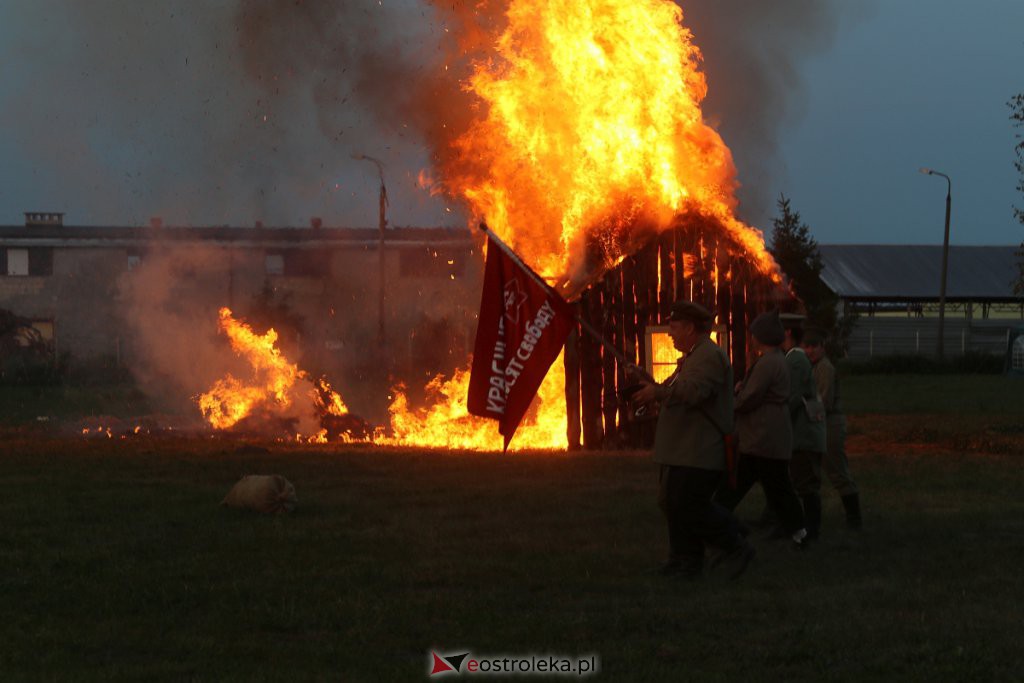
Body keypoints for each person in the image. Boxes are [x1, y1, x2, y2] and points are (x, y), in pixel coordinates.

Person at [632, 301, 754, 580]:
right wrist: (648, 383)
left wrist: (657, 394)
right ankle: (684, 560)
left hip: (698, 448)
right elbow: (675, 390)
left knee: (688, 505)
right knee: (673, 503)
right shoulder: (694, 356)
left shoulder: (708, 356)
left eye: (674, 327)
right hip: (684, 448)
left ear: (689, 327)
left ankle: (734, 542)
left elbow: (694, 392)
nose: (670, 333)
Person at [715, 309, 809, 548]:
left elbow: (752, 396)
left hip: (764, 436)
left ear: (762, 336)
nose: (752, 337)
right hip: (764, 436)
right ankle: (718, 520)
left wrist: (733, 404)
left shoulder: (769, 362)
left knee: (770, 487)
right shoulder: (774, 359)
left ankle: (715, 521)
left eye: (755, 334)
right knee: (764, 486)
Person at [802, 327, 862, 529]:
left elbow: (823, 402)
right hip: (818, 423)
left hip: (829, 424)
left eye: (814, 346)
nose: (810, 351)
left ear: (822, 348)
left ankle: (854, 519)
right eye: (807, 346)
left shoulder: (824, 368)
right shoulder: (813, 367)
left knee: (836, 470)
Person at [781, 318, 827, 541]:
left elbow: (793, 397)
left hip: (803, 434)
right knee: (800, 481)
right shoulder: (795, 358)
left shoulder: (796, 360)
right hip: (801, 433)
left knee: (806, 484)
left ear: (787, 332)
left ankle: (811, 532)